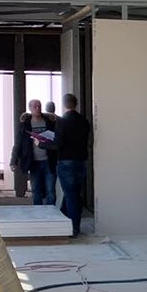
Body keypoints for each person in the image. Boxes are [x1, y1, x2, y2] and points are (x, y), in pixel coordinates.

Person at [54, 93, 90, 237]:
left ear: (63, 105)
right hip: (81, 160)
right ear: (76, 104)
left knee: (70, 195)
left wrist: (41, 143)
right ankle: (65, 221)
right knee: (75, 193)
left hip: (66, 161)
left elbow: (58, 143)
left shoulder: (62, 122)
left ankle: (73, 228)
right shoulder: (84, 121)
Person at [10, 99, 58, 205]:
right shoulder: (25, 125)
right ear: (30, 109)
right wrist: (13, 161)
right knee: (36, 191)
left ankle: (51, 215)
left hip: (48, 161)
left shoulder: (49, 122)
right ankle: (39, 214)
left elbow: (57, 139)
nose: (38, 108)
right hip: (33, 162)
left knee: (51, 190)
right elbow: (18, 144)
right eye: (35, 106)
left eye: (39, 106)